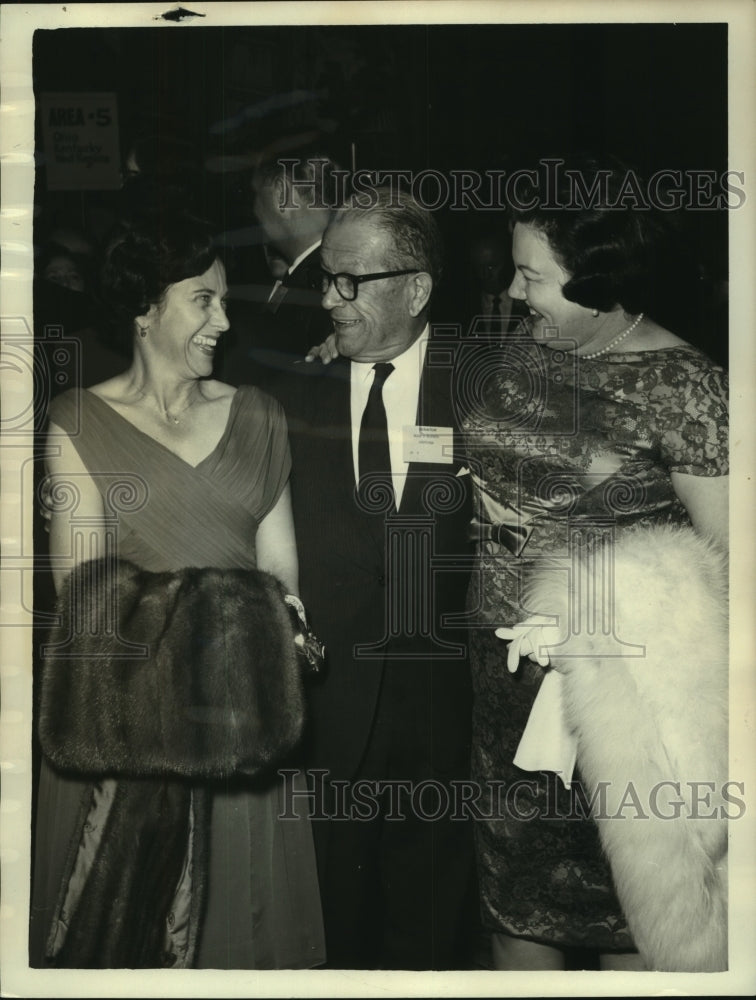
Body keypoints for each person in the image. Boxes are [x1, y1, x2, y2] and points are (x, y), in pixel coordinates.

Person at [29, 210, 325, 969]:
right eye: (204, 300)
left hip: (244, 724)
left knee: (239, 938)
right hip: (126, 734)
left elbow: (282, 577)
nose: (224, 320)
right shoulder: (78, 422)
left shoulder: (257, 416)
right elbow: (85, 602)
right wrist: (229, 626)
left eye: (223, 300)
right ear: (144, 310)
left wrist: (283, 636)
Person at [460, 156, 729, 971]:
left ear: (598, 277)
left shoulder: (686, 386)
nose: (514, 292)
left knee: (626, 911)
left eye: (532, 276)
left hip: (616, 694)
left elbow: (731, 567)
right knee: (514, 903)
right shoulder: (527, 344)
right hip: (501, 672)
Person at [270, 187, 477, 970]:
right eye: (326, 277)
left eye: (350, 280)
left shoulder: (489, 387)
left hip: (449, 712)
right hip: (328, 712)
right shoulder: (288, 394)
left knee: (433, 933)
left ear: (416, 289)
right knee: (331, 929)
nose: (330, 298)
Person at [216, 144, 344, 388]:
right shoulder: (315, 275)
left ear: (282, 194)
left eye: (255, 194)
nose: (254, 210)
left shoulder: (322, 289)